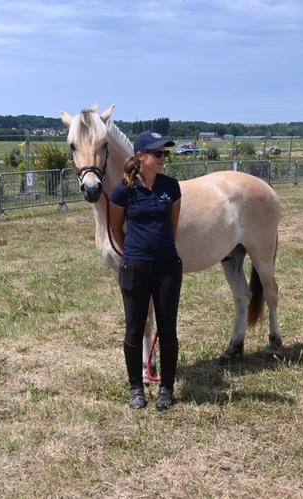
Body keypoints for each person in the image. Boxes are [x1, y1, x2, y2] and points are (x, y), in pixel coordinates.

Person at [109, 130, 182, 411]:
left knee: (168, 329)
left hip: (167, 267)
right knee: (135, 327)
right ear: (141, 157)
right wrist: (134, 254)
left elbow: (172, 227)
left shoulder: (171, 187)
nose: (163, 158)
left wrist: (161, 251)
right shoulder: (122, 190)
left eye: (165, 153)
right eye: (158, 153)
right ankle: (136, 388)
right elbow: (116, 228)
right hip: (135, 267)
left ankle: (166, 389)